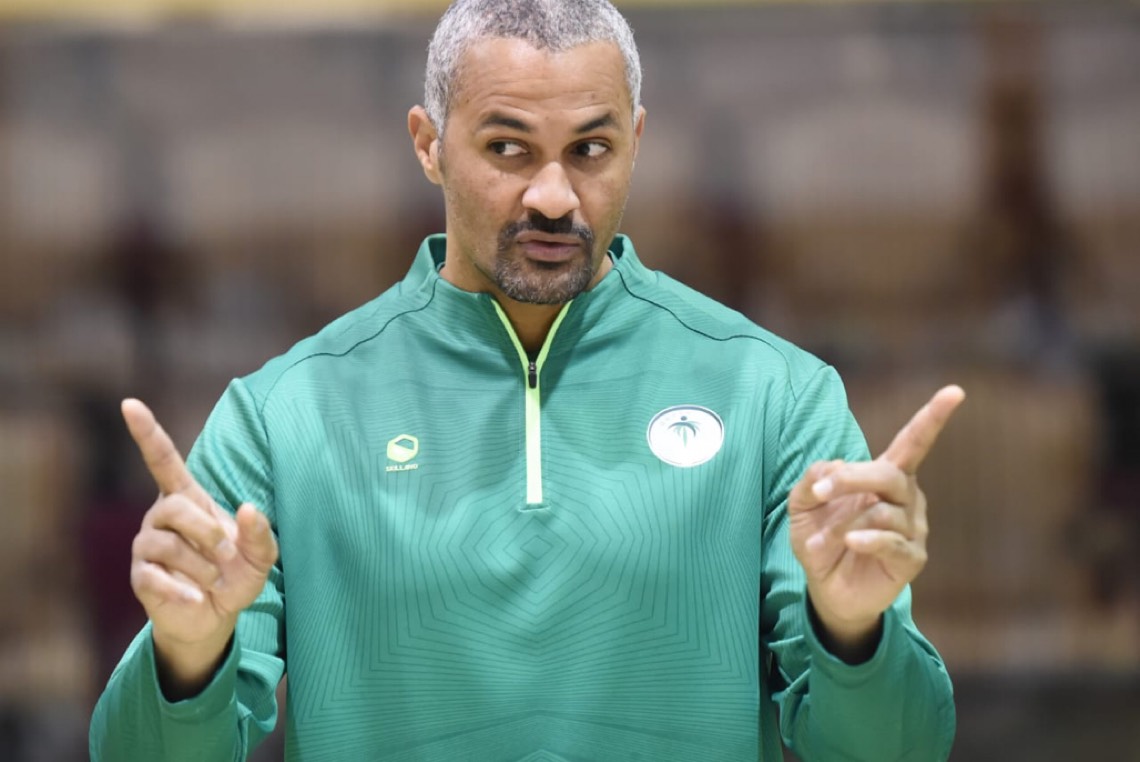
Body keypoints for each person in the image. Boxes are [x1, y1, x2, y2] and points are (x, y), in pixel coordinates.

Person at [90, 1, 964, 759]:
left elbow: (898, 749)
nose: (553, 194)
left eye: (591, 148)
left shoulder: (776, 396)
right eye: (508, 147)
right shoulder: (284, 416)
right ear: (428, 145)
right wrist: (188, 655)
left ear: (637, 143)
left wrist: (854, 634)